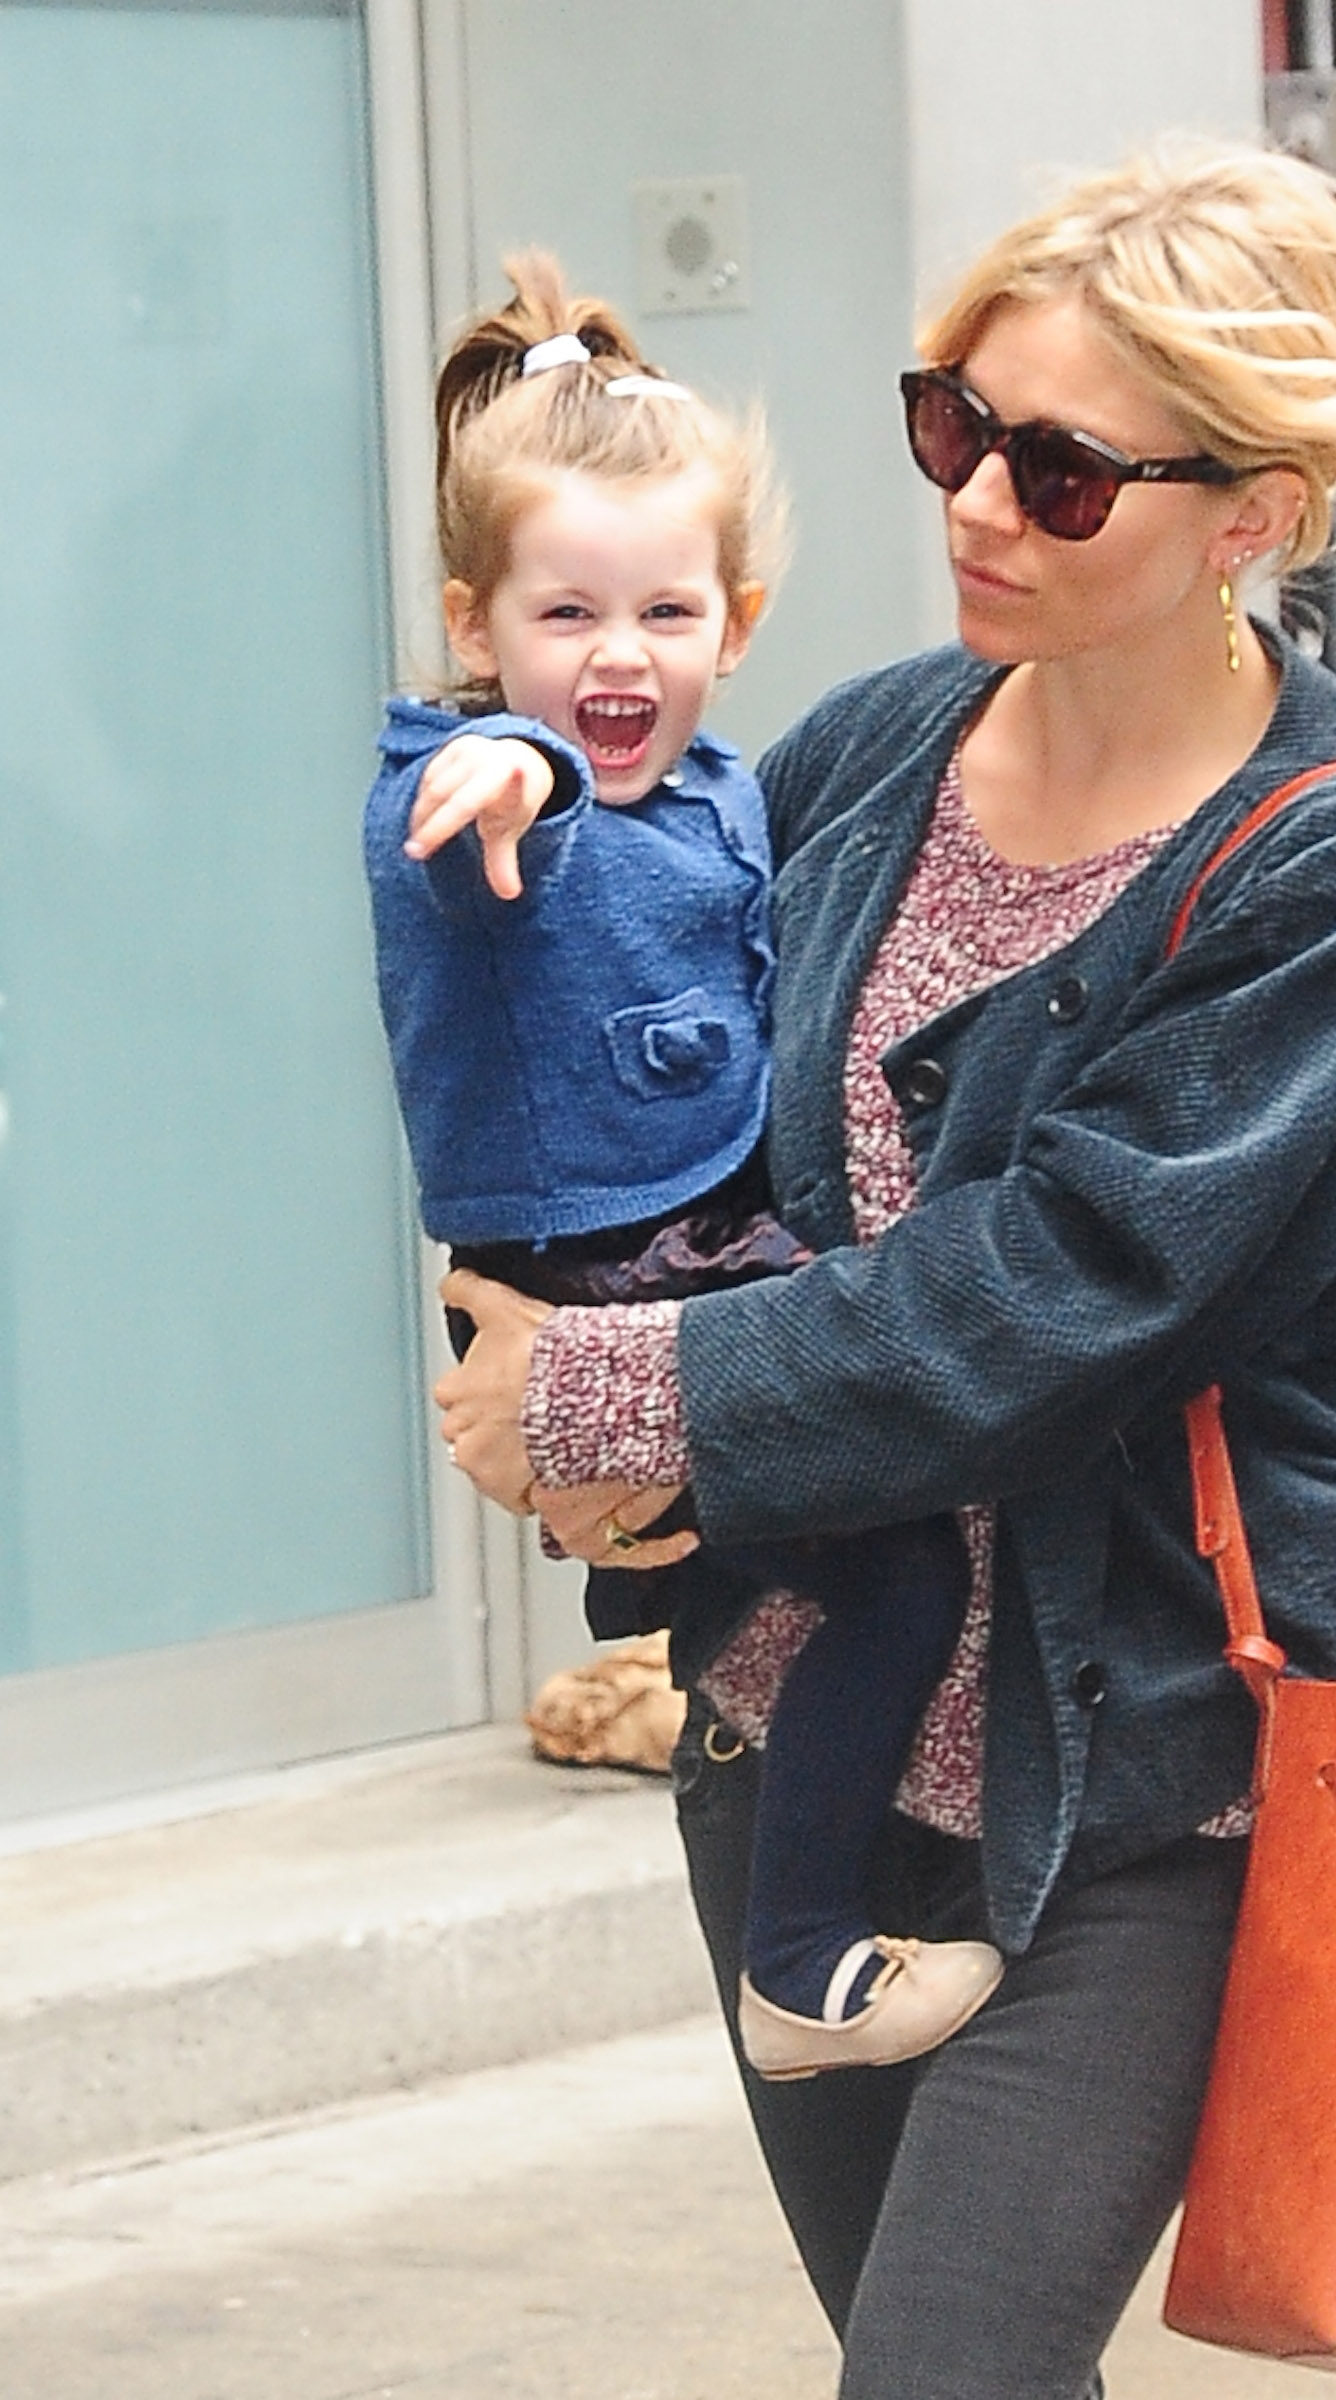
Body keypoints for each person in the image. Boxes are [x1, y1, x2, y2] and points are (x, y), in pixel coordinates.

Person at [434, 148, 1336, 2399]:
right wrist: (506, 807)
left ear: (1253, 513)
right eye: (955, 423)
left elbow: (1059, 1290)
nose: (979, 504)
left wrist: (609, 1395)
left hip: (1144, 1777)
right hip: (799, 1742)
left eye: (1062, 469)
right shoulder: (869, 753)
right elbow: (658, 1117)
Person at [364, 252, 1000, 2079]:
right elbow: (490, 821)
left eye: (665, 610)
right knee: (900, 1579)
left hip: (698, 1249)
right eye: (564, 616)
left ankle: (665, 1595)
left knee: (856, 1548)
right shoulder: (472, 783)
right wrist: (511, 776)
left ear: (739, 616)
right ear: (477, 625)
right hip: (600, 1272)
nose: (618, 657)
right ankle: (800, 1959)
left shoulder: (728, 783)